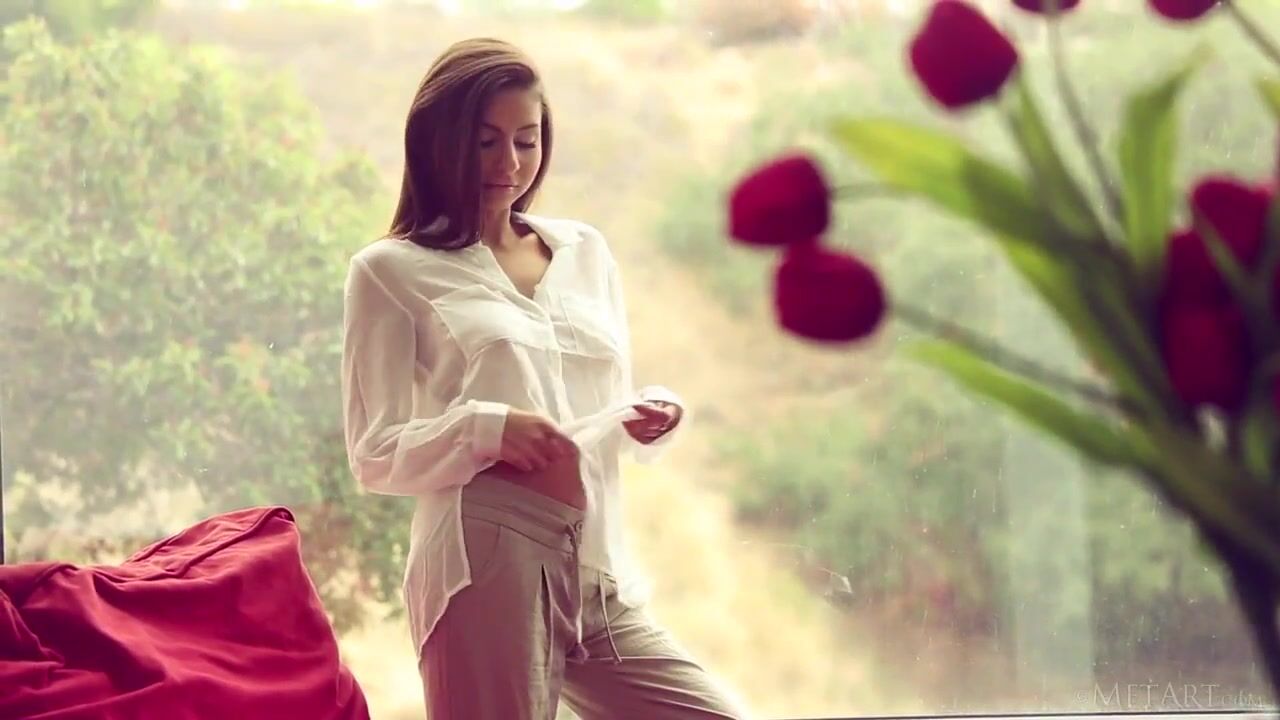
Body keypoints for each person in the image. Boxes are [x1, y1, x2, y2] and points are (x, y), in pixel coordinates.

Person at [340, 37, 748, 720]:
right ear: (440, 142)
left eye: (525, 140)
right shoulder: (389, 271)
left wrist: (655, 415)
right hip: (484, 566)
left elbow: (601, 397)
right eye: (485, 142)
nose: (509, 163)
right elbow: (374, 453)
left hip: (596, 567)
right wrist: (489, 429)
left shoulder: (584, 251)